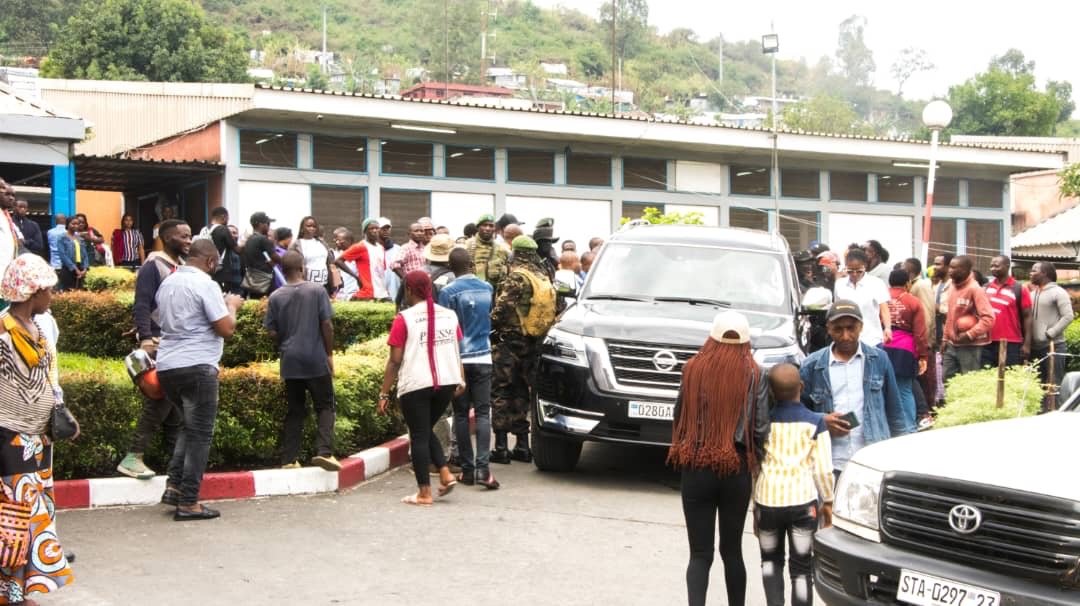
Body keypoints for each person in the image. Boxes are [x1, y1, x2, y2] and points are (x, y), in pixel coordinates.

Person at [668, 311, 769, 606]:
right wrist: (756, 464)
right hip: (735, 468)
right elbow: (761, 427)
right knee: (732, 551)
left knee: (699, 554)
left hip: (697, 465)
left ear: (710, 338)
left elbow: (678, 416)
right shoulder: (755, 373)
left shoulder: (692, 369)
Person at [0, 253, 75, 602]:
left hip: (37, 436)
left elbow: (45, 380)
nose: (51, 297)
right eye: (48, 290)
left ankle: (22, 589)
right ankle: (9, 593)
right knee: (12, 518)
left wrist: (60, 413)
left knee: (34, 515)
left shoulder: (37, 328)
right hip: (10, 436)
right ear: (33, 292)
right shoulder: (3, 333)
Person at [156, 239, 244, 521]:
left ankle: (174, 487)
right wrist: (232, 305)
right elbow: (226, 328)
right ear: (210, 262)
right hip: (197, 366)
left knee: (188, 427)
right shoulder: (206, 284)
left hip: (167, 366)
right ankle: (189, 501)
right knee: (200, 435)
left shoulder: (168, 282)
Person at [377, 271, 464, 506]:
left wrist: (384, 392)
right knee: (424, 429)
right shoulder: (449, 315)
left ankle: (424, 493)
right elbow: (457, 348)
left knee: (418, 435)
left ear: (407, 290)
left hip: (416, 383)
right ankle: (445, 474)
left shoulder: (404, 318)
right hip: (447, 382)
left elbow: (395, 360)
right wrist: (461, 379)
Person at [753, 363, 833, 606]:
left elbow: (754, 468)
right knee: (801, 567)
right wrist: (828, 501)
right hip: (802, 504)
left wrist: (753, 507)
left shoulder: (762, 424)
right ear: (801, 386)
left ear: (771, 391)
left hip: (767, 502)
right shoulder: (815, 423)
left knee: (769, 562)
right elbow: (823, 470)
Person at [116, 219, 190, 480]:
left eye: (190, 236)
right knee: (160, 399)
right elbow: (142, 303)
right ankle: (133, 456)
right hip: (158, 343)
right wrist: (146, 337)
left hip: (175, 342)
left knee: (174, 404)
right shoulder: (153, 264)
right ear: (168, 238)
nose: (188, 241)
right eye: (184, 236)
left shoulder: (181, 267)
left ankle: (174, 462)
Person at [800, 300, 909, 476]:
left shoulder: (879, 359)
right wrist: (821, 421)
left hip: (873, 463)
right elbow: (797, 414)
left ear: (861, 327)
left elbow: (895, 411)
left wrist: (900, 456)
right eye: (838, 329)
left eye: (851, 328)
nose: (845, 336)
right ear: (828, 328)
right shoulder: (812, 365)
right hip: (829, 465)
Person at [265, 251, 341, 471]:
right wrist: (329, 354)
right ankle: (324, 452)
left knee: (295, 410)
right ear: (302, 268)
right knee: (325, 406)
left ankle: (289, 459)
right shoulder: (316, 291)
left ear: (283, 269)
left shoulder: (276, 296)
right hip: (315, 358)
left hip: (290, 360)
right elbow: (327, 325)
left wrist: (284, 343)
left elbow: (271, 331)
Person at [490, 236, 558, 464]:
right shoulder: (543, 276)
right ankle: (522, 446)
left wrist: (491, 325)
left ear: (515, 252)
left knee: (501, 390)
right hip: (532, 343)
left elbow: (501, 310)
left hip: (509, 343)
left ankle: (500, 447)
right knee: (522, 391)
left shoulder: (517, 277)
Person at [439, 249, 499, 489]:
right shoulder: (487, 288)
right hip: (484, 356)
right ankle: (484, 469)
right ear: (472, 264)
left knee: (461, 414)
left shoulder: (447, 292)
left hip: (459, 360)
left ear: (450, 267)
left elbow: (445, 327)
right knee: (483, 413)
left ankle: (467, 470)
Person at [883, 269, 926, 433]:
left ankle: (890, 427)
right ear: (908, 283)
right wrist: (922, 355)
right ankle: (908, 428)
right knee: (905, 390)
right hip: (905, 349)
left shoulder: (882, 298)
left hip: (882, 345)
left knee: (883, 388)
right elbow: (920, 333)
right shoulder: (913, 302)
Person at [941, 256, 994, 382]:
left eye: (954, 268)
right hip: (952, 343)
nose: (950, 270)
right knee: (948, 378)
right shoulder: (952, 286)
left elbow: (989, 318)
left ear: (965, 270)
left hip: (970, 345)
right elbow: (950, 316)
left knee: (968, 380)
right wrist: (945, 338)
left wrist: (970, 334)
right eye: (950, 267)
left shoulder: (975, 289)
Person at [1029, 261, 1073, 411]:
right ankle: (1039, 414)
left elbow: (1068, 316)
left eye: (1034, 271)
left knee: (1054, 384)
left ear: (1045, 273)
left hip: (1053, 346)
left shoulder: (1058, 292)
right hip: (1034, 348)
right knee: (1036, 384)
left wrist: (1051, 333)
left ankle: (1057, 413)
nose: (1030, 273)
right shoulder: (1032, 293)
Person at [903, 257, 937, 428]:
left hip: (923, 343)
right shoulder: (911, 287)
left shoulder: (921, 286)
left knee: (923, 380)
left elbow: (927, 315)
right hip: (917, 342)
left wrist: (925, 343)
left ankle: (926, 415)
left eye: (905, 269)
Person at [833, 248, 891, 347]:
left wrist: (887, 328)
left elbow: (884, 308)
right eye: (850, 271)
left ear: (865, 266)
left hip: (871, 339)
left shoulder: (876, 283)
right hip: (846, 339)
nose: (854, 274)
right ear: (846, 267)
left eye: (859, 271)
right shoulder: (840, 284)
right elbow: (837, 309)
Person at [983, 255, 1032, 368]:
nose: (993, 268)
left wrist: (1027, 344)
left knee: (1008, 378)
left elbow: (1027, 317)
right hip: (987, 342)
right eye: (991, 266)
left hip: (1011, 343)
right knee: (987, 379)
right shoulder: (986, 287)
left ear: (1007, 266)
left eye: (997, 266)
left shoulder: (1019, 289)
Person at [466, 213, 509, 293]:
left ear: (494, 229)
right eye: (484, 225)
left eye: (491, 226)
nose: (488, 228)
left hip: (493, 292)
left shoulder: (502, 249)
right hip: (470, 291)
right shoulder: (466, 246)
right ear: (478, 227)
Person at [241, 212, 281, 298]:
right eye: (267, 223)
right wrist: (287, 261)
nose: (268, 226)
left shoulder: (249, 239)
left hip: (253, 280)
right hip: (264, 280)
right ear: (260, 224)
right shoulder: (263, 239)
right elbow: (275, 257)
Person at [292, 216, 333, 291]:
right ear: (302, 228)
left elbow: (329, 263)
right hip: (306, 285)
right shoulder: (297, 244)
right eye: (308, 226)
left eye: (314, 226)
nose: (312, 228)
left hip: (324, 284)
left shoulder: (322, 243)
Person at [332, 227, 374, 301]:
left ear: (349, 241)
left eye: (340, 241)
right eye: (336, 240)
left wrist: (356, 278)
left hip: (355, 291)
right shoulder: (335, 254)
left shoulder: (359, 253)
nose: (337, 242)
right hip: (341, 293)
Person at [56, 215, 89, 291]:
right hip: (68, 269)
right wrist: (74, 268)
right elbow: (63, 255)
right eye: (73, 224)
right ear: (67, 224)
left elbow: (85, 254)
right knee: (68, 292)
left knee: (80, 292)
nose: (76, 226)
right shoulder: (62, 237)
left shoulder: (80, 238)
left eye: (77, 224)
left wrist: (85, 268)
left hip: (80, 268)